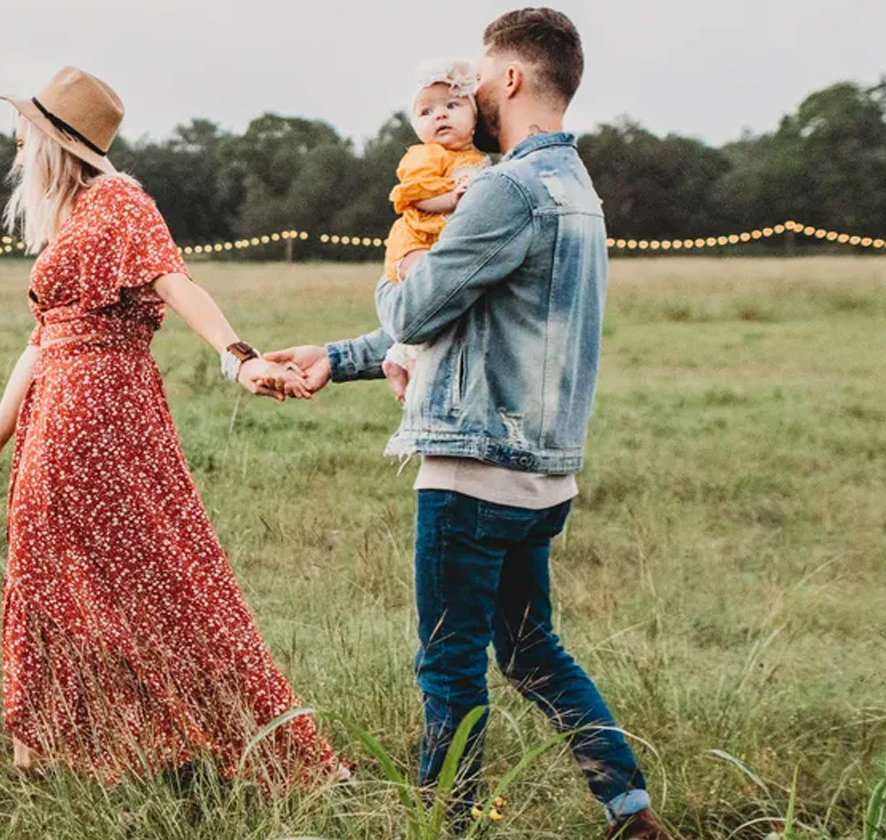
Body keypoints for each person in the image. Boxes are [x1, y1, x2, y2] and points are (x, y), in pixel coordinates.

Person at [266, 9, 678, 838]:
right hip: (542, 472)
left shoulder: (504, 187)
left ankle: (445, 827)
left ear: (513, 79)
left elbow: (419, 308)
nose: (470, 91)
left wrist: (402, 263)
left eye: (479, 77)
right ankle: (628, 812)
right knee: (530, 652)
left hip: (471, 472)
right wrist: (338, 355)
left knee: (448, 668)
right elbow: (473, 317)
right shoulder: (575, 190)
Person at [0, 65, 340, 785]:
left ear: (53, 141)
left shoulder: (118, 201)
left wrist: (238, 357)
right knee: (55, 575)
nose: (14, 143)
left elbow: (174, 279)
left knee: (151, 575)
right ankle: (59, 750)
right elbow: (40, 343)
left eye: (24, 130)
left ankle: (205, 742)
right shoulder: (70, 217)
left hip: (97, 410)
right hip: (58, 407)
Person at [380, 58, 491, 391]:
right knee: (429, 291)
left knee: (446, 301)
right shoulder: (426, 155)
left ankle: (399, 357)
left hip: (442, 243)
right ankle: (405, 358)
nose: (439, 115)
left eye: (452, 105)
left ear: (474, 116)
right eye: (426, 112)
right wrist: (452, 199)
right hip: (415, 241)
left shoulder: (479, 161)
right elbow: (416, 196)